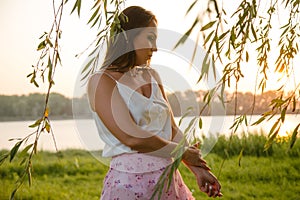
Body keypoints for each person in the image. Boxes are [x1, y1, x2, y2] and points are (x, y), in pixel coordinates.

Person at [87, 6, 222, 199]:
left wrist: (198, 169)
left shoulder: (151, 75)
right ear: (128, 36)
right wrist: (182, 152)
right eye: (150, 38)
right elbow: (131, 137)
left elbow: (172, 130)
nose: (155, 48)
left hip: (168, 181)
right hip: (129, 186)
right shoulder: (102, 81)